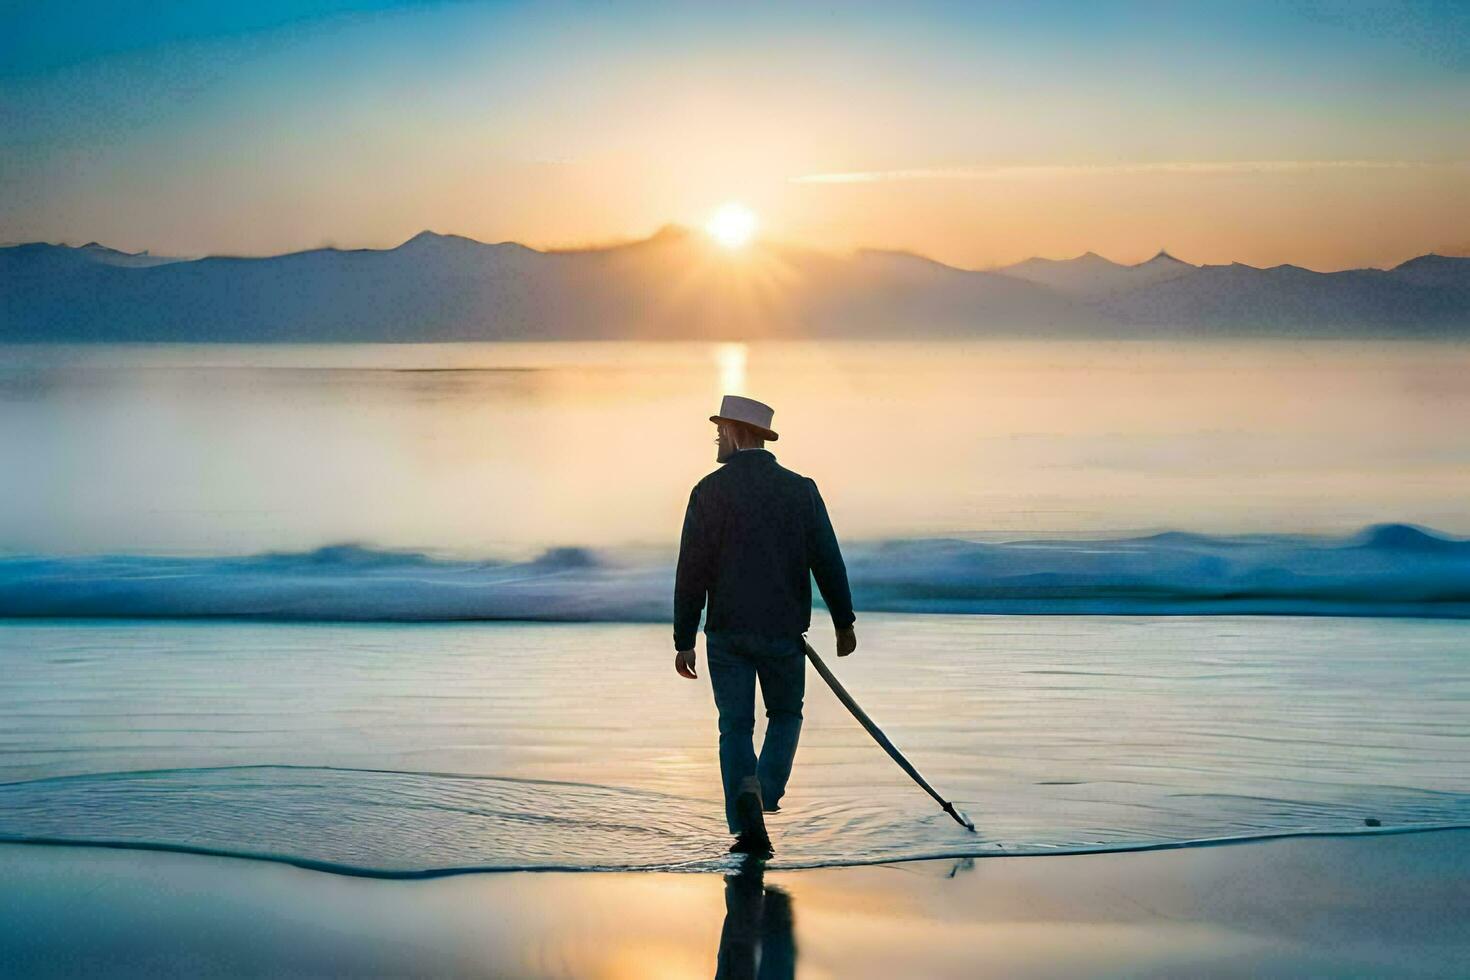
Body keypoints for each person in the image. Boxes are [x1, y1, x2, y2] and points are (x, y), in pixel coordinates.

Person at [673, 394, 857, 855]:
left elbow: (691, 569)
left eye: (720, 430)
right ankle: (765, 791)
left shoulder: (709, 491)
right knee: (786, 715)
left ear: (737, 433)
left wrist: (684, 637)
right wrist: (843, 621)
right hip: (782, 631)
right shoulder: (801, 490)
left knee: (734, 725)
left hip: (727, 632)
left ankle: (743, 821)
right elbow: (827, 559)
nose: (716, 437)